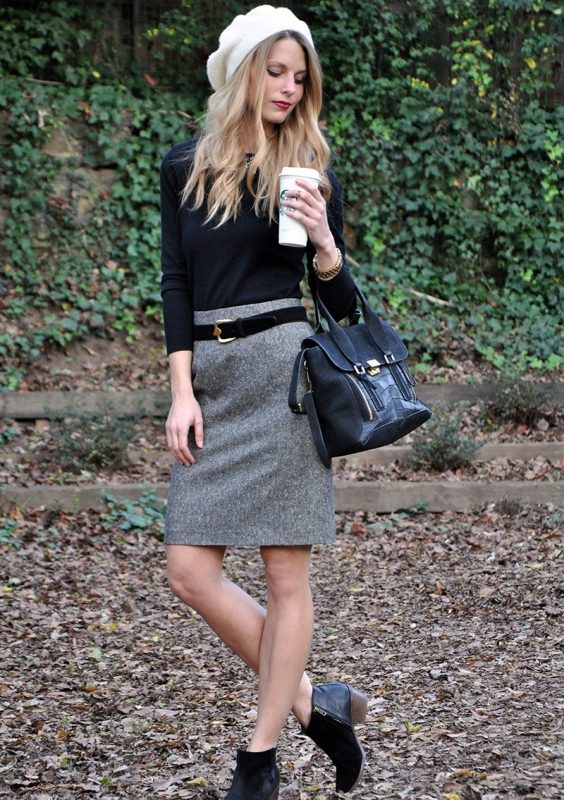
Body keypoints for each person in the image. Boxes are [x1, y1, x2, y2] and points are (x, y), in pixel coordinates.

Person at [159, 6, 367, 799]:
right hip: (211, 378)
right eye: (276, 72)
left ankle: (260, 757)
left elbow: (341, 306)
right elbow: (176, 283)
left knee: (286, 577)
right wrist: (181, 391)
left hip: (283, 371)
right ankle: (316, 705)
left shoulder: (309, 170)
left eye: (299, 77)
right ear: (245, 71)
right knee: (188, 569)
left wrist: (324, 244)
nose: (288, 88)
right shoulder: (186, 166)